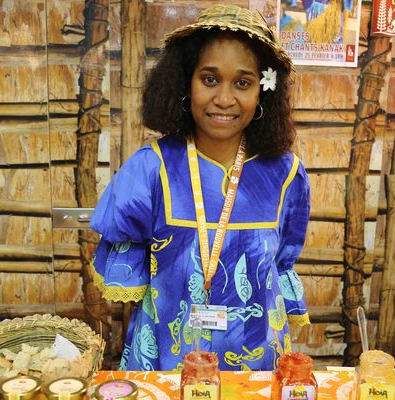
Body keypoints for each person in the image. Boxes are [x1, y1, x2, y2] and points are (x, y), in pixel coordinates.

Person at [89, 4, 310, 371]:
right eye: (210, 79)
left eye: (243, 83)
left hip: (256, 370)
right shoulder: (151, 168)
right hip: (167, 362)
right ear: (185, 82)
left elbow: (282, 262)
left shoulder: (286, 175)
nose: (224, 99)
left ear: (263, 92)